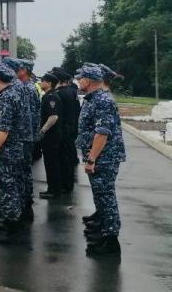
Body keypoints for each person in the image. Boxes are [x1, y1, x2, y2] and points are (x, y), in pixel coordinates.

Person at [76, 64, 126, 257]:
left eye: (81, 78)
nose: (79, 81)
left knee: (106, 198)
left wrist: (91, 159)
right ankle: (104, 232)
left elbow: (102, 133)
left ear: (88, 80)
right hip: (99, 158)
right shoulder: (94, 99)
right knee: (101, 197)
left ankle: (111, 240)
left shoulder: (102, 100)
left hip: (104, 158)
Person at [0, 62, 27, 244]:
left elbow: (3, 128)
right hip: (14, 150)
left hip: (7, 152)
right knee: (12, 187)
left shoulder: (5, 98)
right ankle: (13, 223)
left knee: (7, 188)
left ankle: (11, 229)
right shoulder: (13, 93)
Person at [3, 57, 37, 224]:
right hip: (24, 137)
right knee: (22, 175)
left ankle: (21, 210)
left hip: (22, 138)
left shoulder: (25, 88)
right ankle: (23, 208)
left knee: (19, 176)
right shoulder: (26, 87)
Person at [53, 67, 80, 194]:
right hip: (72, 127)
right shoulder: (72, 91)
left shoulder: (59, 93)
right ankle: (68, 184)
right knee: (68, 156)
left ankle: (65, 185)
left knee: (63, 158)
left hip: (63, 129)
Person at [38, 73, 64, 199]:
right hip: (51, 136)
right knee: (50, 163)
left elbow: (53, 116)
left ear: (49, 83)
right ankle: (52, 188)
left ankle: (54, 190)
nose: (40, 83)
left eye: (42, 81)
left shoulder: (51, 97)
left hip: (51, 136)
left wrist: (43, 130)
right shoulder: (49, 96)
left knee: (52, 163)